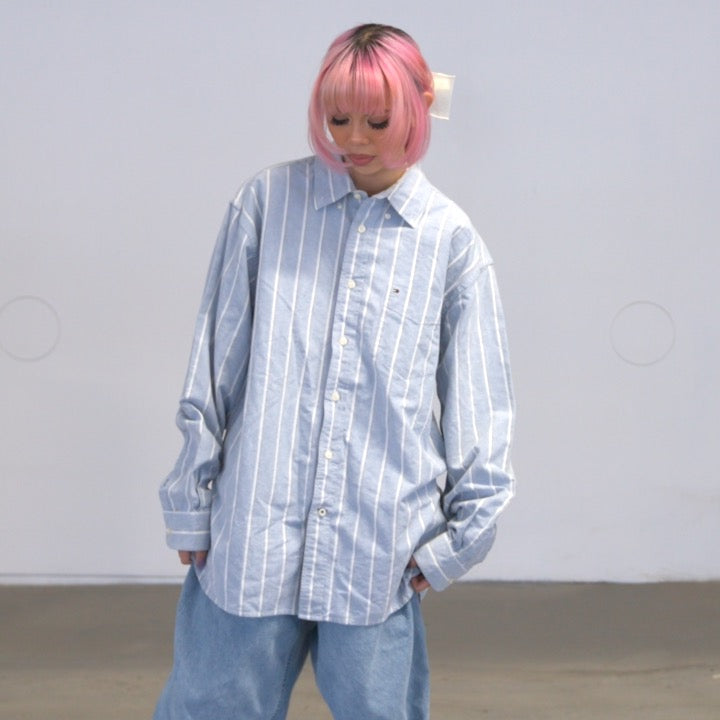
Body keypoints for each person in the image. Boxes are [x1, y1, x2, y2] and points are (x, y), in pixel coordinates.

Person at [153, 22, 515, 720]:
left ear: (417, 109)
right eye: (338, 116)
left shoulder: (450, 242)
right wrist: (192, 501)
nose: (353, 138)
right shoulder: (267, 204)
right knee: (211, 707)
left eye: (377, 121)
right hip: (253, 538)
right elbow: (215, 363)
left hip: (376, 549)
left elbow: (480, 402)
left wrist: (459, 540)